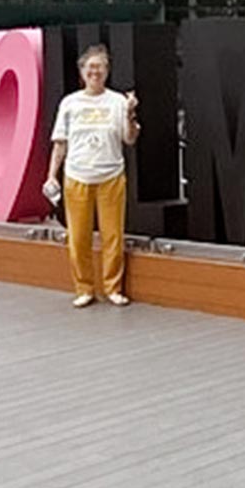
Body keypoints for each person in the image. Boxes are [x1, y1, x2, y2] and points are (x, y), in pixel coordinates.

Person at [44, 44, 140, 308]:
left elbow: (130, 139)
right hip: (77, 175)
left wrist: (131, 114)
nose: (95, 71)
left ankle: (113, 288)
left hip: (111, 174)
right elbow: (60, 143)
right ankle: (84, 288)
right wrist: (51, 175)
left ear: (107, 71)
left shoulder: (119, 101)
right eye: (90, 67)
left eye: (100, 67)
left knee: (113, 235)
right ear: (82, 71)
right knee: (78, 236)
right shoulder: (70, 103)